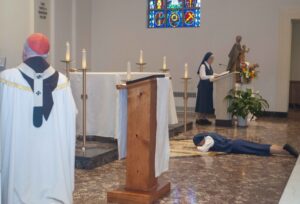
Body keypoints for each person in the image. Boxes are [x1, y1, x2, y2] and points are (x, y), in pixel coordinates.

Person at [0, 33, 77, 204]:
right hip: (53, 173)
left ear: (24, 53)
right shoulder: (63, 82)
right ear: (47, 56)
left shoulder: (7, 79)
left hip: (17, 175)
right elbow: (71, 119)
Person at [193, 132, 299, 158]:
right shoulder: (210, 135)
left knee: (260, 149)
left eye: (199, 143)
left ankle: (285, 150)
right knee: (261, 147)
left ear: (200, 140)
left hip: (236, 146)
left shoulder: (208, 140)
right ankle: (285, 150)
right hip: (237, 143)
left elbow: (203, 149)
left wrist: (198, 147)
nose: (200, 144)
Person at [195, 52, 216, 125]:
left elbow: (211, 75)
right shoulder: (203, 66)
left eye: (213, 59)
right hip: (203, 87)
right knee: (202, 103)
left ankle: (204, 118)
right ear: (207, 58)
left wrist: (217, 75)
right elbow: (202, 76)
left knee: (207, 103)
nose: (212, 60)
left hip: (208, 87)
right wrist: (212, 77)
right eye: (211, 58)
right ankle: (199, 118)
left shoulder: (209, 66)